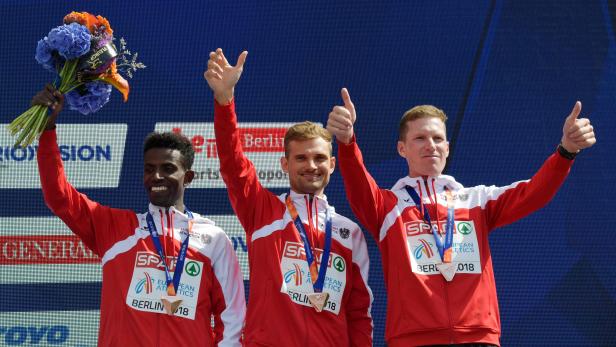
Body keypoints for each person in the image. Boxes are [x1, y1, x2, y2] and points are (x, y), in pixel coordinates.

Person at [326, 88, 596, 347]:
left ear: (447, 147)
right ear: (401, 149)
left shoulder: (477, 200)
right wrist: (347, 142)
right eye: (420, 138)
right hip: (414, 339)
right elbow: (358, 183)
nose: (430, 146)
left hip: (478, 337)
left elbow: (533, 193)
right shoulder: (386, 206)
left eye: (437, 139)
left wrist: (566, 151)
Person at [33, 84, 246, 347]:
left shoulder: (214, 239)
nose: (157, 176)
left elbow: (232, 318)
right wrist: (47, 129)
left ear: (187, 177)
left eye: (168, 168)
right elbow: (58, 196)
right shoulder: (114, 227)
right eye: (149, 169)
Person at [204, 49, 373, 346]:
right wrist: (224, 100)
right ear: (285, 164)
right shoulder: (262, 210)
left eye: (320, 158)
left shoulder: (350, 233)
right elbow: (233, 164)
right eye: (301, 158)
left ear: (332, 164)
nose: (311, 166)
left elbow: (359, 312)